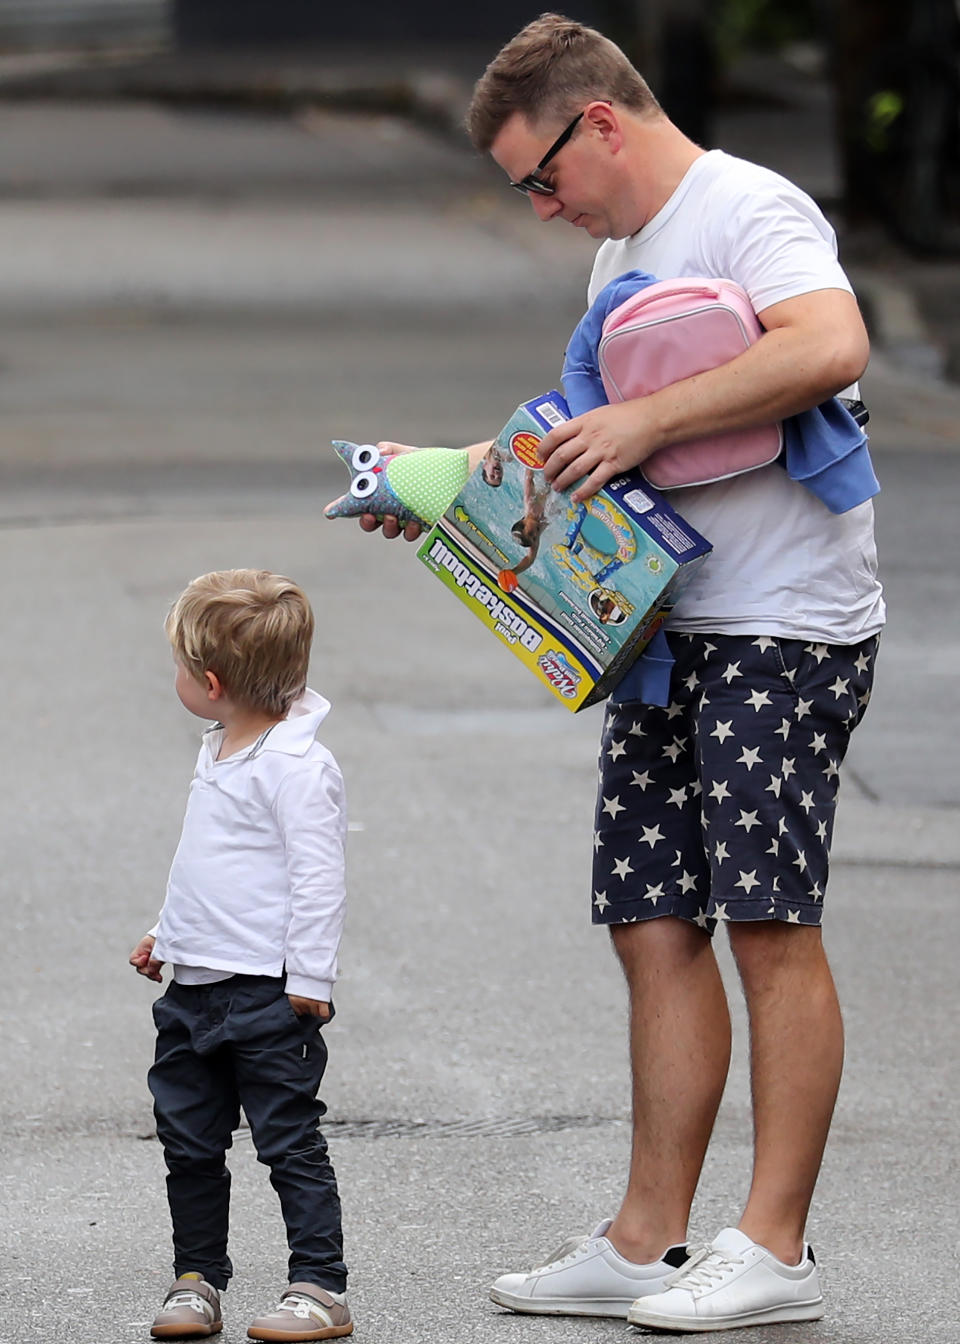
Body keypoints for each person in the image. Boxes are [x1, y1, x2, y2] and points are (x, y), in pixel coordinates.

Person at [353, 11, 884, 1334]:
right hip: (666, 632)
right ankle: (648, 1243)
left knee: (769, 927)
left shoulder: (750, 209)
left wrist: (648, 415)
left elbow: (832, 345)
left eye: (542, 177)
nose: (542, 210)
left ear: (598, 120)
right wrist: (437, 489)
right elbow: (577, 454)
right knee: (652, 925)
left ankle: (775, 1250)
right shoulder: (618, 263)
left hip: (786, 624)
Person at [129, 569, 353, 1343]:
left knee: (289, 1141)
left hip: (267, 994)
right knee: (188, 1142)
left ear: (213, 681)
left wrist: (312, 978)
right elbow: (208, 859)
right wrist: (167, 931)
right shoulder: (220, 744)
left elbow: (317, 876)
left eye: (183, 669)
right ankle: (196, 1280)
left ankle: (319, 1287)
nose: (178, 680)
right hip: (191, 990)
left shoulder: (296, 767)